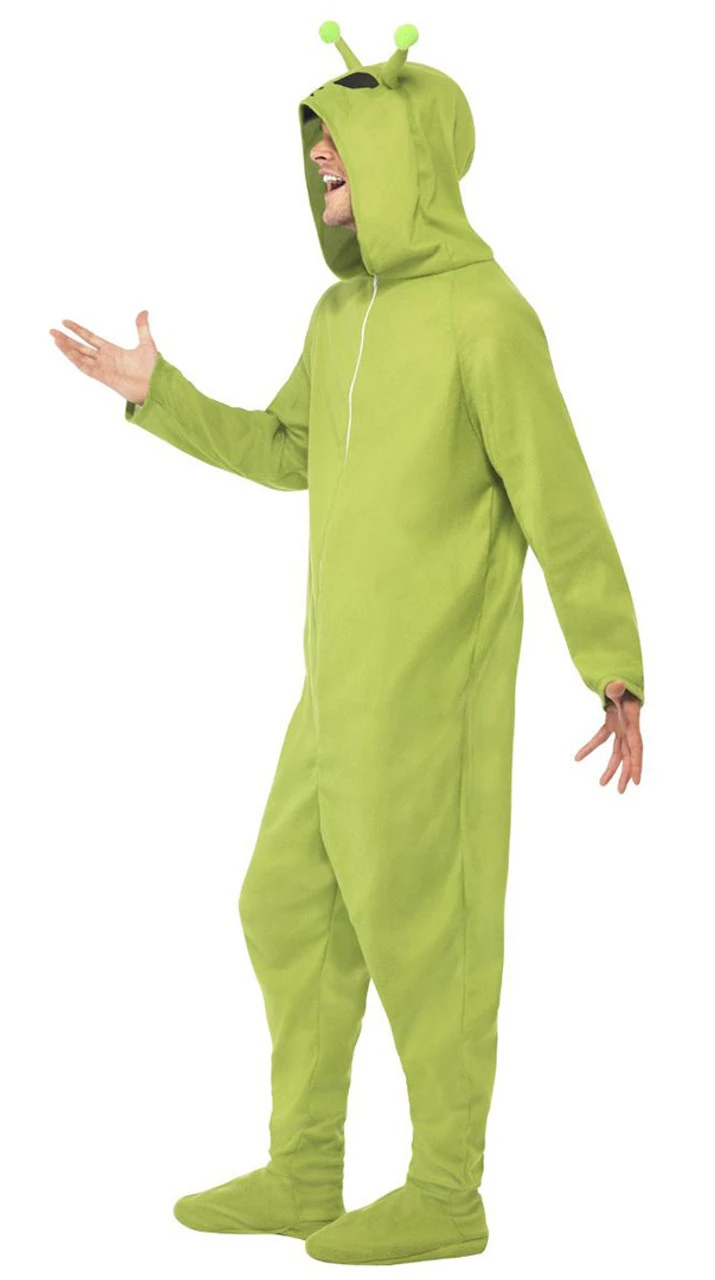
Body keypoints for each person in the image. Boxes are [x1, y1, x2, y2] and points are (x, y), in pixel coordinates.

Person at [49, 20, 645, 1268]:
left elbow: (562, 503)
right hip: (333, 694)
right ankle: (306, 1166)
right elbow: (288, 452)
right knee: (283, 900)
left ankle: (446, 1188)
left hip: (431, 699)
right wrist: (160, 394)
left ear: (408, 156)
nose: (323, 161)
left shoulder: (488, 317)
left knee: (427, 932)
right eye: (316, 145)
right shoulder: (337, 316)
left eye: (345, 142)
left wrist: (613, 666)